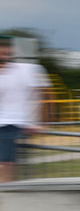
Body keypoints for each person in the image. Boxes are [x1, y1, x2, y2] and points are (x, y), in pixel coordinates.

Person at [0, 36, 51, 183]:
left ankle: (7, 190)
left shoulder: (26, 69)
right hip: (9, 123)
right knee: (5, 164)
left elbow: (45, 94)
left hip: (10, 123)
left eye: (6, 54)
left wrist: (38, 121)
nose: (4, 58)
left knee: (5, 164)